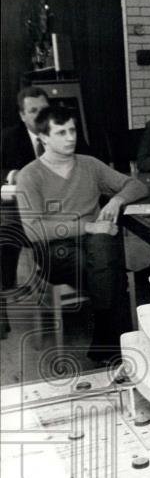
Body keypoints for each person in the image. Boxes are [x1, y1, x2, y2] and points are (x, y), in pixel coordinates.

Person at [15, 107, 147, 364]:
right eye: (61, 132)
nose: (70, 137)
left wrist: (117, 200)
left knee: (104, 247)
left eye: (73, 130)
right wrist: (88, 226)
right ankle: (113, 343)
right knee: (109, 266)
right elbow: (32, 230)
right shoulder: (29, 175)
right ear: (43, 138)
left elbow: (138, 185)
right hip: (53, 251)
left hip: (94, 244)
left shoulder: (89, 164)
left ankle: (108, 348)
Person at [1, 88, 51, 335]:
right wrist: (13, 175)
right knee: (5, 235)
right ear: (22, 115)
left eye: (44, 109)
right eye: (34, 111)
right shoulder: (8, 138)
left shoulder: (65, 131)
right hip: (22, 215)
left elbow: (89, 160)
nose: (41, 115)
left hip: (61, 211)